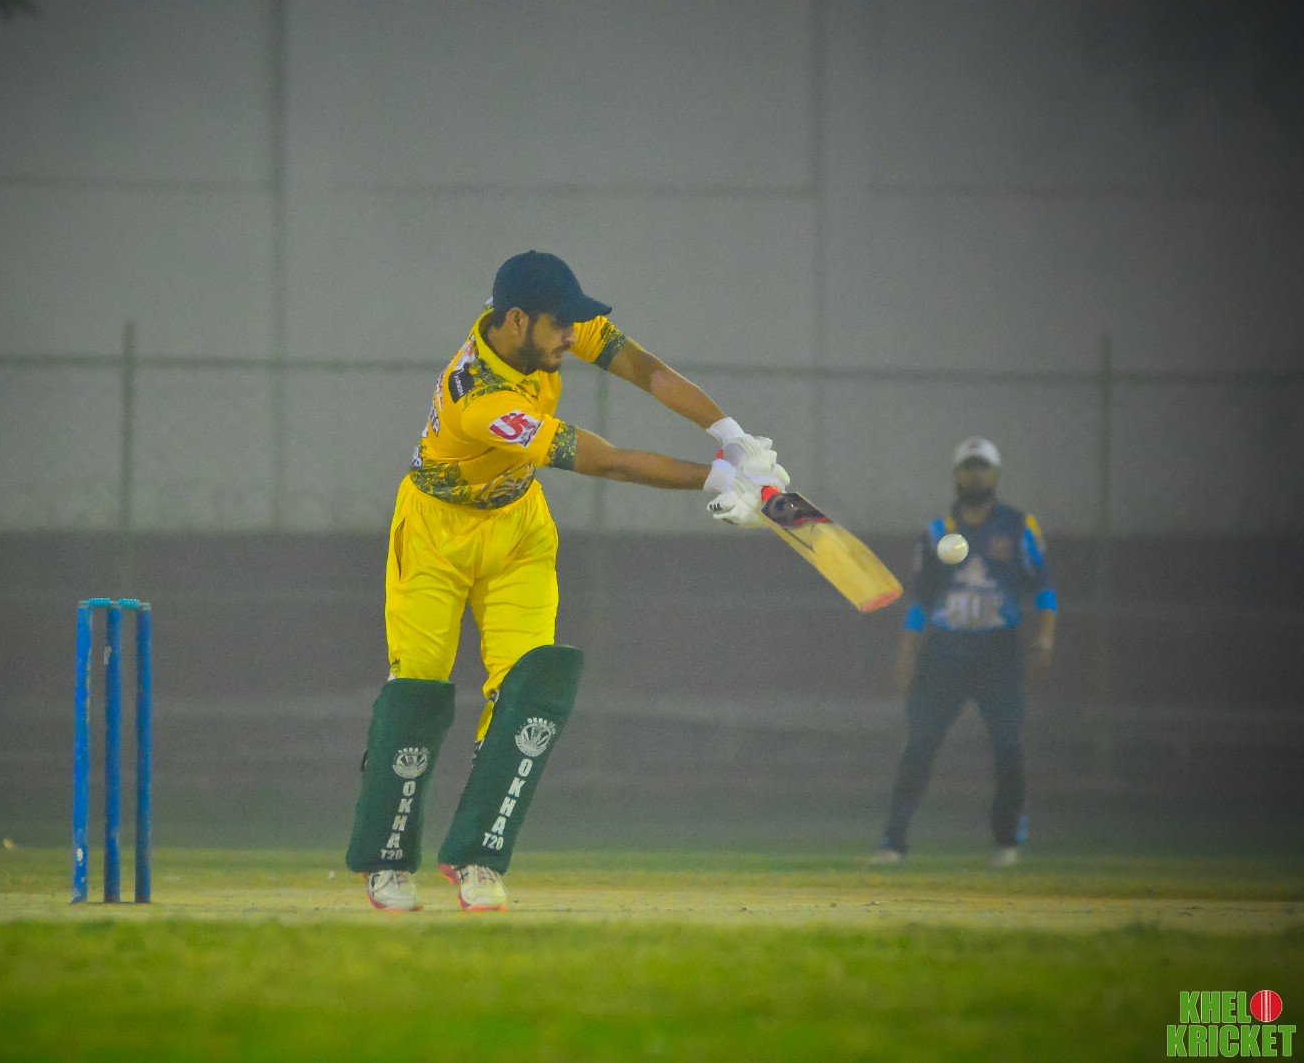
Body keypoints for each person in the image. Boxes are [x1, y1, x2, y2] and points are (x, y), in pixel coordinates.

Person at [345, 250, 785, 911]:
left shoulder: (544, 327)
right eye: (559, 326)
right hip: (435, 534)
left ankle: (477, 856)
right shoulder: (480, 399)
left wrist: (733, 437)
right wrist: (720, 479)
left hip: (518, 528)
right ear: (517, 321)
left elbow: (644, 369)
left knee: (527, 688)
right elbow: (606, 462)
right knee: (419, 689)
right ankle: (385, 860)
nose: (570, 338)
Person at [870, 436, 1057, 869]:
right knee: (918, 745)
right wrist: (907, 649)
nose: (975, 475)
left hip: (999, 652)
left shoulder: (1019, 527)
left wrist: (1047, 635)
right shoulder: (938, 532)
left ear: (996, 474)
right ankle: (893, 842)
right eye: (968, 467)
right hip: (945, 652)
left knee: (1009, 747)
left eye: (982, 467)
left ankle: (1007, 840)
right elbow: (921, 599)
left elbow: (1044, 586)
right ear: (956, 474)